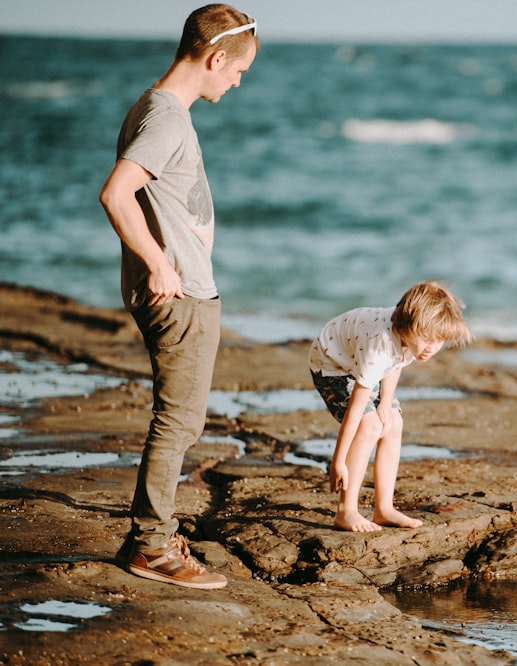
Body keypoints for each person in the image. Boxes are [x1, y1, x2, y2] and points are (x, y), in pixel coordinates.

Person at [99, 4, 259, 590]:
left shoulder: (154, 107)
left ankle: (154, 537)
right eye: (238, 70)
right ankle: (151, 548)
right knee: (179, 421)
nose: (238, 81)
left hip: (181, 288)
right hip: (180, 294)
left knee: (179, 418)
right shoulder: (167, 118)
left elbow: (147, 197)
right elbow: (115, 194)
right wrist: (161, 262)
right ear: (216, 58)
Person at [309, 280, 474, 532]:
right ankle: (346, 511)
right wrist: (338, 461)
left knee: (393, 421)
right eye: (428, 339)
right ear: (408, 327)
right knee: (370, 424)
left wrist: (386, 401)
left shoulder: (410, 336)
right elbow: (355, 412)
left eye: (439, 341)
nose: (432, 348)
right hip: (332, 364)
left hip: (361, 359)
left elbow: (396, 362)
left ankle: (383, 508)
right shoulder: (380, 345)